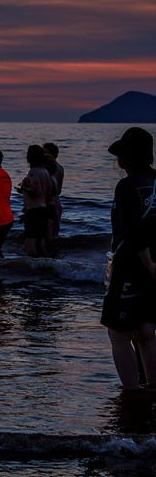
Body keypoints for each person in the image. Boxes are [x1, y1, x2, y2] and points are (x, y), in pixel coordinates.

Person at [101, 127, 156, 391]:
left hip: (131, 265)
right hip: (153, 265)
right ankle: (152, 388)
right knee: (147, 330)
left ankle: (132, 393)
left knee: (118, 333)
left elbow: (133, 232)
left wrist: (149, 264)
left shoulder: (126, 186)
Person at [18, 144, 54, 258]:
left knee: (30, 239)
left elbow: (35, 190)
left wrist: (24, 186)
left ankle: (31, 264)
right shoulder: (45, 171)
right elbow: (49, 191)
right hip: (44, 208)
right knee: (40, 238)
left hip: (33, 209)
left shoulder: (33, 172)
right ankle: (44, 262)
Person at [43, 142, 65, 239]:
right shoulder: (59, 167)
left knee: (47, 233)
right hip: (55, 203)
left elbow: (51, 189)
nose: (43, 155)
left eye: (45, 153)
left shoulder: (53, 169)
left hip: (50, 204)